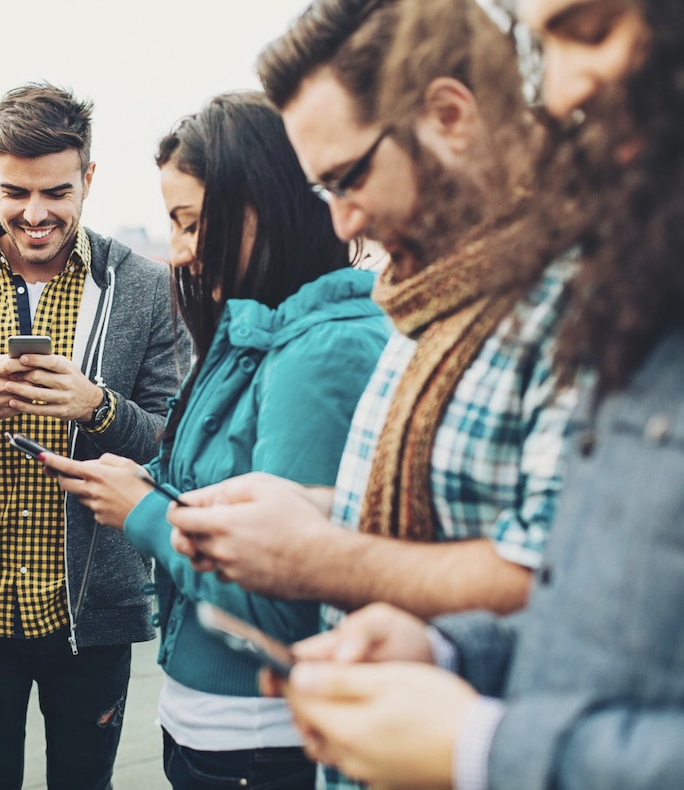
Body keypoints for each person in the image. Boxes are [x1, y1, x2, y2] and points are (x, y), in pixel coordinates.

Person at [274, 2, 684, 788]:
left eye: (590, 29)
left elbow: (533, 572)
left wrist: (479, 747)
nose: (559, 94)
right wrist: (445, 648)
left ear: (450, 115)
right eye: (543, 47)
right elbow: (592, 612)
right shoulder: (615, 284)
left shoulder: (582, 296)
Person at [168, 0, 575, 624]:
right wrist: (320, 509)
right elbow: (453, 515)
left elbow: (563, 574)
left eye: (349, 178)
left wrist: (323, 556)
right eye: (324, 191)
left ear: (450, 116)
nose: (343, 221)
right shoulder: (427, 296)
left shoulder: (580, 301)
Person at [39, 92, 389, 790]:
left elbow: (285, 589)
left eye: (190, 222)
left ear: (261, 206)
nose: (179, 252)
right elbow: (212, 498)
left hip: (262, 735)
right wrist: (141, 483)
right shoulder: (246, 332)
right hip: (211, 724)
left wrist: (142, 511)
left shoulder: (323, 355)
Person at [0, 82, 187, 790]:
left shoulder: (146, 288)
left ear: (89, 177)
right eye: (15, 192)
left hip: (92, 609)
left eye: (56, 191)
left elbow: (172, 442)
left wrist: (96, 406)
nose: (35, 213)